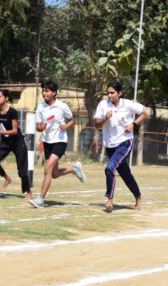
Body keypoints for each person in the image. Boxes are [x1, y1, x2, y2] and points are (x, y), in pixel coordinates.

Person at [93, 81, 149, 212]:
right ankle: (138, 196)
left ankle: (109, 200)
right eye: (108, 93)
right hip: (110, 145)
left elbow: (145, 113)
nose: (109, 95)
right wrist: (105, 118)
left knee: (109, 168)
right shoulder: (103, 105)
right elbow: (96, 124)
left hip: (125, 142)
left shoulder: (127, 104)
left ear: (119, 93)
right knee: (125, 174)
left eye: (112, 93)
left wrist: (133, 125)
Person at [29, 80, 86, 208]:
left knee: (47, 168)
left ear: (54, 92)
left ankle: (40, 199)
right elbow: (38, 127)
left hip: (60, 141)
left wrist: (65, 126)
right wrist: (40, 128)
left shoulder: (62, 106)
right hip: (47, 142)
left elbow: (72, 120)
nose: (44, 93)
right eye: (43, 91)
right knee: (54, 174)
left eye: (47, 91)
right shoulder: (40, 107)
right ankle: (74, 169)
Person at [0, 89, 33, 200]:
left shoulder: (13, 112)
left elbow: (14, 131)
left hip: (18, 142)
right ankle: (7, 178)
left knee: (22, 171)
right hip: (6, 142)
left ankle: (29, 192)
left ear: (6, 98)